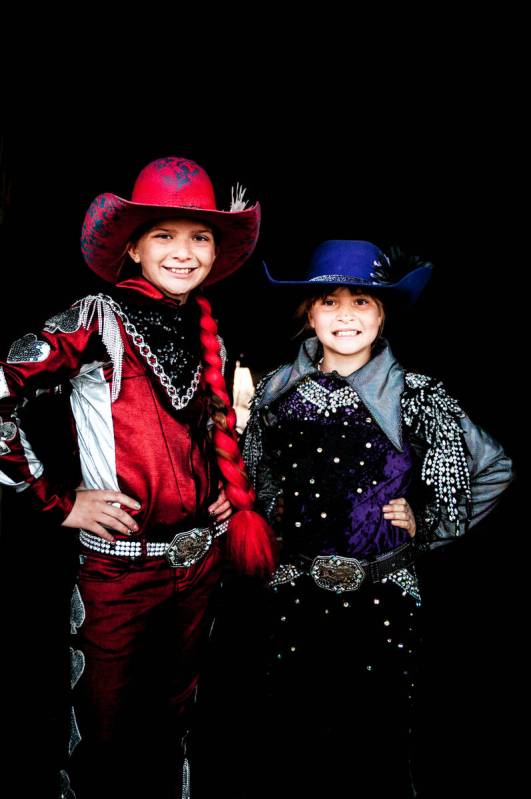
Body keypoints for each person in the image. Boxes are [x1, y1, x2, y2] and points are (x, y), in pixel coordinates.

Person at [0, 156, 275, 799]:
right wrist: (57, 502)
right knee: (100, 736)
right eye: (165, 235)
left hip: (199, 570)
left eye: (200, 237)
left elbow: (206, 433)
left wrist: (224, 496)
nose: (184, 252)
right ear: (131, 246)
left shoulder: (208, 325)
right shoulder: (94, 317)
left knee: (175, 728)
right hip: (118, 571)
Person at [237, 240, 515, 798]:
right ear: (308, 314)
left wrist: (430, 520)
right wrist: (272, 507)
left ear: (382, 314)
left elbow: (495, 467)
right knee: (292, 734)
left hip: (383, 594)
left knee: (376, 738)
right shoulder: (272, 392)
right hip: (293, 595)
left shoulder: (417, 395)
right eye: (330, 302)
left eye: (361, 301)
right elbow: (251, 471)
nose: (345, 314)